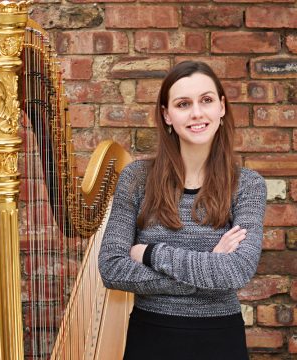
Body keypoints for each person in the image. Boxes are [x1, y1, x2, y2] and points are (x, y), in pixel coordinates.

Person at [98, 61, 266, 360]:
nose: (197, 113)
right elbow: (112, 269)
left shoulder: (248, 186)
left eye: (206, 100)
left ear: (222, 108)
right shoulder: (137, 179)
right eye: (183, 104)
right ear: (166, 114)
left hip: (218, 340)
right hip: (150, 338)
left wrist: (150, 253)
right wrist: (209, 268)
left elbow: (237, 272)